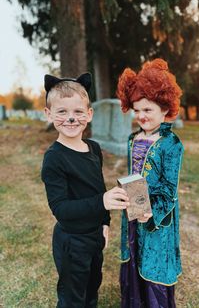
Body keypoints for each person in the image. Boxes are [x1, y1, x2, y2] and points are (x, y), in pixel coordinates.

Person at [41, 72, 129, 308]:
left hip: (94, 237)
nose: (71, 119)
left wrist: (105, 223)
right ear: (48, 114)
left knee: (92, 289)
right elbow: (61, 209)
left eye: (78, 112)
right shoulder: (54, 159)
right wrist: (102, 202)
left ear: (89, 114)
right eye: (62, 112)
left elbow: (96, 188)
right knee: (73, 298)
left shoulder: (94, 148)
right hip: (71, 241)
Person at [116, 58, 184, 308]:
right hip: (132, 211)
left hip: (157, 219)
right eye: (136, 110)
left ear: (165, 109)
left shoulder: (171, 144)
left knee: (153, 262)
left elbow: (169, 188)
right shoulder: (132, 138)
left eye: (147, 110)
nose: (141, 116)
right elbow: (133, 173)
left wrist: (152, 210)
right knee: (135, 255)